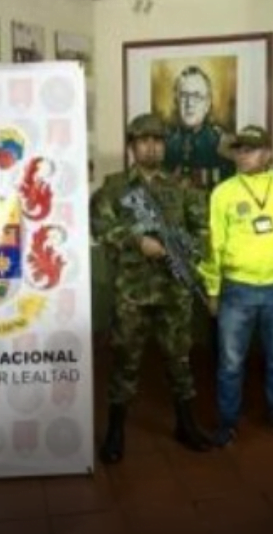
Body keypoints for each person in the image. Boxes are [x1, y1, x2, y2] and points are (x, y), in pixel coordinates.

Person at [90, 113, 214, 463]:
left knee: (179, 360)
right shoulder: (114, 187)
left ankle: (185, 425)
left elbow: (202, 231)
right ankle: (116, 432)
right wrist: (136, 240)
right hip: (132, 292)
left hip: (173, 291)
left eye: (158, 140)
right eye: (144, 140)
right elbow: (100, 225)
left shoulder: (183, 187)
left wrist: (184, 248)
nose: (152, 147)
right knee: (125, 361)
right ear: (132, 146)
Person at [199, 125, 273, 445]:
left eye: (251, 149)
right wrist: (213, 290)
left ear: (267, 153)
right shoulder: (223, 192)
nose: (243, 155)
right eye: (239, 149)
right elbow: (213, 245)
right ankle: (227, 424)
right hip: (236, 289)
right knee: (230, 363)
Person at [165, 65, 233, 190]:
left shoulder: (222, 144)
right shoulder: (166, 143)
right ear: (176, 101)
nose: (189, 103)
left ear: (207, 104)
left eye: (196, 96)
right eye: (184, 95)